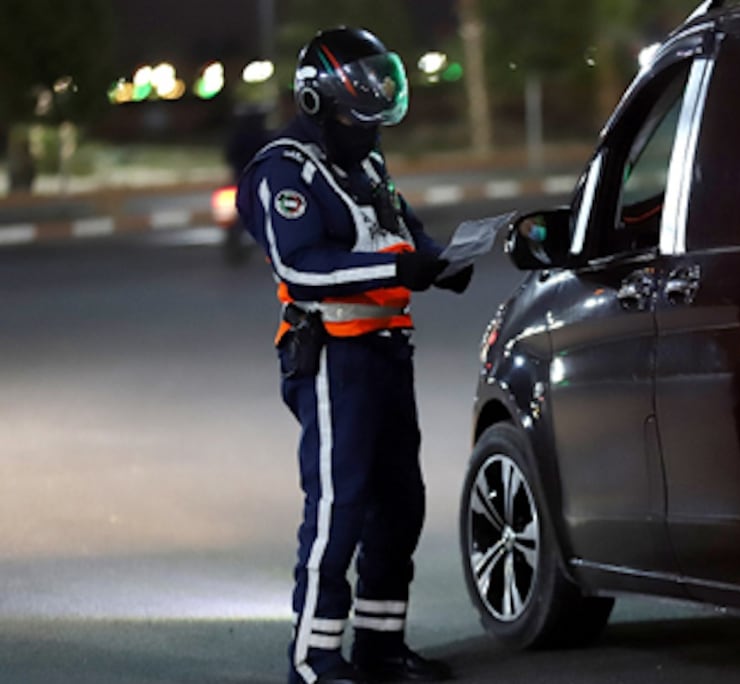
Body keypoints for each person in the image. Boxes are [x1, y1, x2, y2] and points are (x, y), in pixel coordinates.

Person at [235, 27, 470, 684]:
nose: (366, 128)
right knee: (340, 507)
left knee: (402, 503)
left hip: (388, 353)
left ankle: (380, 648)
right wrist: (398, 268)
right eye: (352, 113)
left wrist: (439, 261)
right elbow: (303, 267)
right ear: (317, 105)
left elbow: (402, 230)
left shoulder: (364, 164)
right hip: (335, 360)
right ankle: (313, 660)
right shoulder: (283, 170)